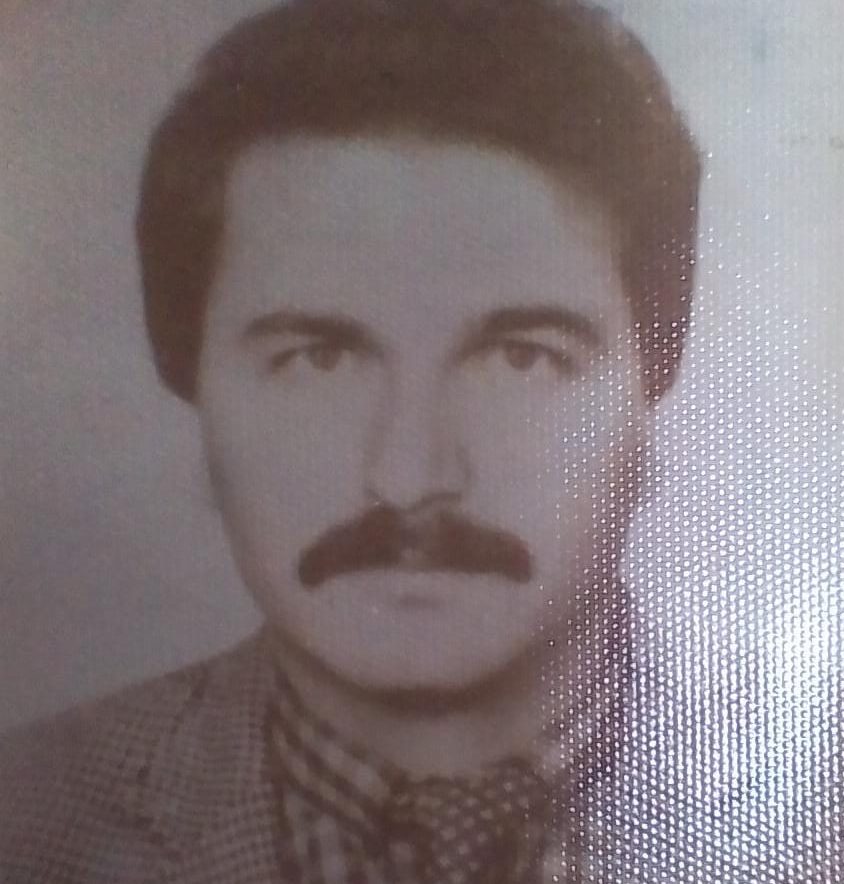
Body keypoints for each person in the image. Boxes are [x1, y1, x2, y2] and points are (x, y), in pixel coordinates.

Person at [0, 0, 700, 881]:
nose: (409, 477)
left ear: (651, 379)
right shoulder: (25, 821)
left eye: (520, 357)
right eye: (319, 359)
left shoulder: (839, 804)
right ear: (194, 380)